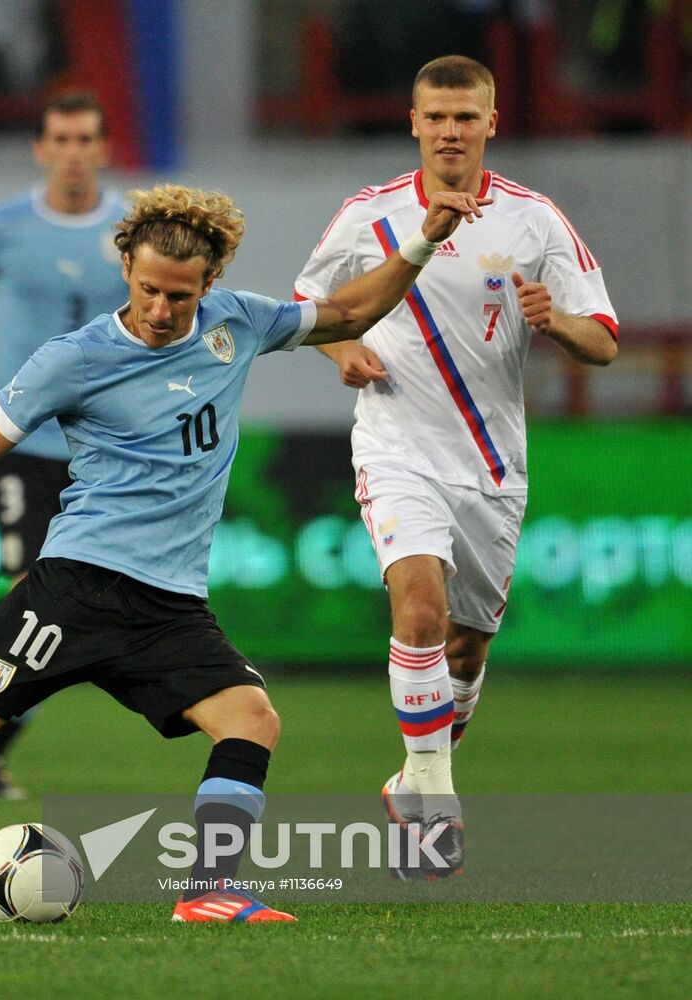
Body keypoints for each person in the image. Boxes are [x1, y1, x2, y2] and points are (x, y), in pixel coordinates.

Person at [0, 181, 487, 922]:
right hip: (78, 588)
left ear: (209, 283)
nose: (160, 309)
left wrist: (422, 238)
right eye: (149, 288)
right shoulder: (77, 357)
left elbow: (353, 306)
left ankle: (207, 892)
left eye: (179, 295)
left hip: (172, 605)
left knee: (253, 720)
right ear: (126, 267)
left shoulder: (239, 324)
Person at [294, 54, 618, 879]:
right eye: (436, 116)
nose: (450, 130)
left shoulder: (536, 221)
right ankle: (435, 797)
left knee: (466, 650)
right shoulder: (369, 214)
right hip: (398, 446)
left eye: (466, 117)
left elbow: (605, 340)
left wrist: (558, 324)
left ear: (490, 124)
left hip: (493, 465)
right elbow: (311, 308)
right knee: (421, 614)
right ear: (413, 123)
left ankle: (413, 776)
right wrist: (345, 348)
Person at [0, 89, 128, 798]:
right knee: (30, 594)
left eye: (85, 139)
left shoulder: (133, 227)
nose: (73, 153)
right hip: (24, 438)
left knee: (64, 610)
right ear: (41, 150)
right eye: (61, 140)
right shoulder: (3, 225)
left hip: (107, 450)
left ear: (103, 148)